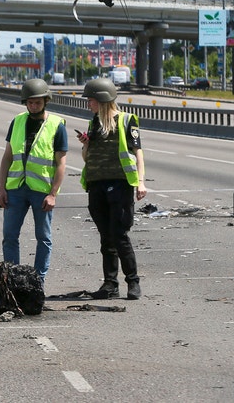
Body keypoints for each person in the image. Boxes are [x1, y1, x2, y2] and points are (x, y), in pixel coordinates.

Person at [77, 78, 146, 300]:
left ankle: (133, 282)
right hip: (96, 184)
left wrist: (140, 182)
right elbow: (87, 158)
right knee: (105, 238)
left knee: (119, 235)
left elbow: (138, 153)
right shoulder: (93, 123)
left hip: (120, 184)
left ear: (102, 100)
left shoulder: (126, 121)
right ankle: (110, 284)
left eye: (91, 100)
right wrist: (86, 144)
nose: (88, 104)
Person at [0, 79, 67, 283]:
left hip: (41, 191)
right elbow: (7, 157)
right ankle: (13, 280)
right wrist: (2, 189)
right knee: (9, 236)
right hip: (16, 189)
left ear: (46, 101)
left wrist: (53, 194)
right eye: (30, 102)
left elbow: (61, 163)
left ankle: (38, 281)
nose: (34, 106)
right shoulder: (17, 122)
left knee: (43, 238)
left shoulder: (56, 125)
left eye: (37, 102)